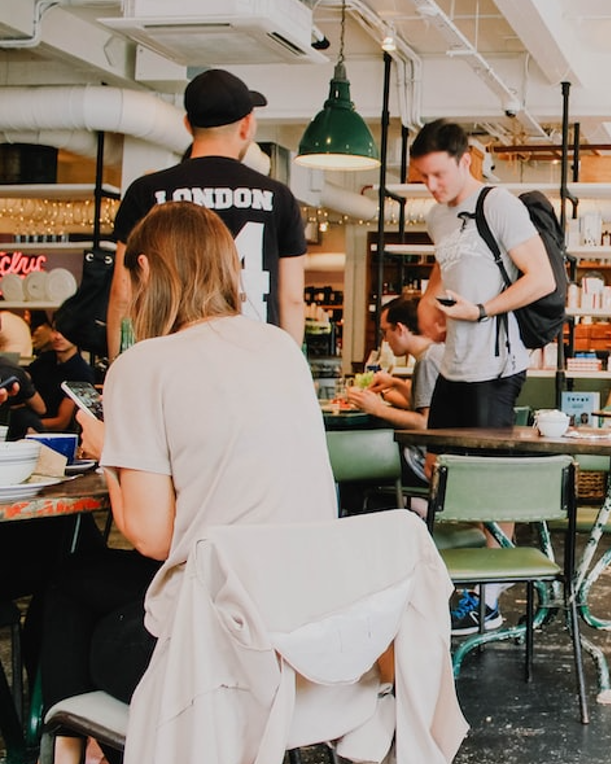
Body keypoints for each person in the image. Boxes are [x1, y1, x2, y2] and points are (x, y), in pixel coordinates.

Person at [40, 202, 336, 764]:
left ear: (145, 270)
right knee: (80, 582)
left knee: (70, 595)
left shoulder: (143, 364)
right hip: (302, 631)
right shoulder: (280, 347)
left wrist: (109, 453)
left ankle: (75, 750)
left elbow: (152, 538)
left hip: (218, 652)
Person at [410, 119, 554, 634]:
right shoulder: (436, 217)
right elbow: (446, 266)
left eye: (439, 175)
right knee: (439, 472)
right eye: (423, 177)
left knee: (491, 485)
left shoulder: (499, 205)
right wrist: (431, 303)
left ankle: (488, 601)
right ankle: (452, 584)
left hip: (496, 365)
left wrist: (482, 310)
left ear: (465, 161)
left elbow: (542, 278)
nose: (432, 186)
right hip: (454, 364)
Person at [107, 68, 308, 356]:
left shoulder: (147, 192)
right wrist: (289, 367)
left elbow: (123, 292)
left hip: (173, 357)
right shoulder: (278, 198)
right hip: (255, 357)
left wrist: (120, 365)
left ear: (187, 125)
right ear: (246, 125)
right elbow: (292, 299)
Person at [346, 295, 444, 491]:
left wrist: (378, 409)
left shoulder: (426, 362)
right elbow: (433, 404)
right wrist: (396, 383)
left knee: (353, 462)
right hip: (441, 458)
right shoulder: (437, 352)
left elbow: (426, 424)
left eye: (385, 332)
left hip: (422, 462)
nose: (385, 340)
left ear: (400, 329)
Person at [28, 308, 96, 432]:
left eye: (65, 332)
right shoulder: (44, 361)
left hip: (59, 435)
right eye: (55, 330)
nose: (58, 336)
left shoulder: (81, 373)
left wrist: (26, 424)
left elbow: (61, 422)